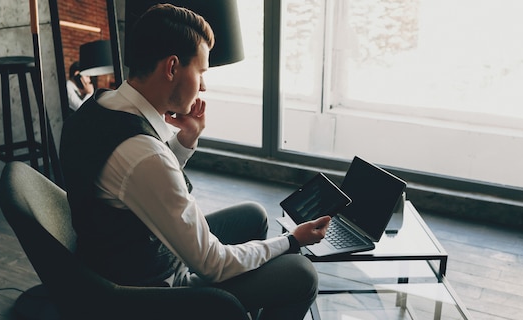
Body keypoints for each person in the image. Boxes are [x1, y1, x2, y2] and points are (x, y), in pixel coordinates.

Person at [59, 4, 331, 319]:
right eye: (201, 71)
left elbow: (136, 185)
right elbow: (214, 264)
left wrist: (185, 141)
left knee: (254, 216)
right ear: (172, 68)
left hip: (122, 258)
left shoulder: (100, 106)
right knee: (301, 273)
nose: (203, 86)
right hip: (154, 292)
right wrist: (291, 240)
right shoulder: (145, 153)